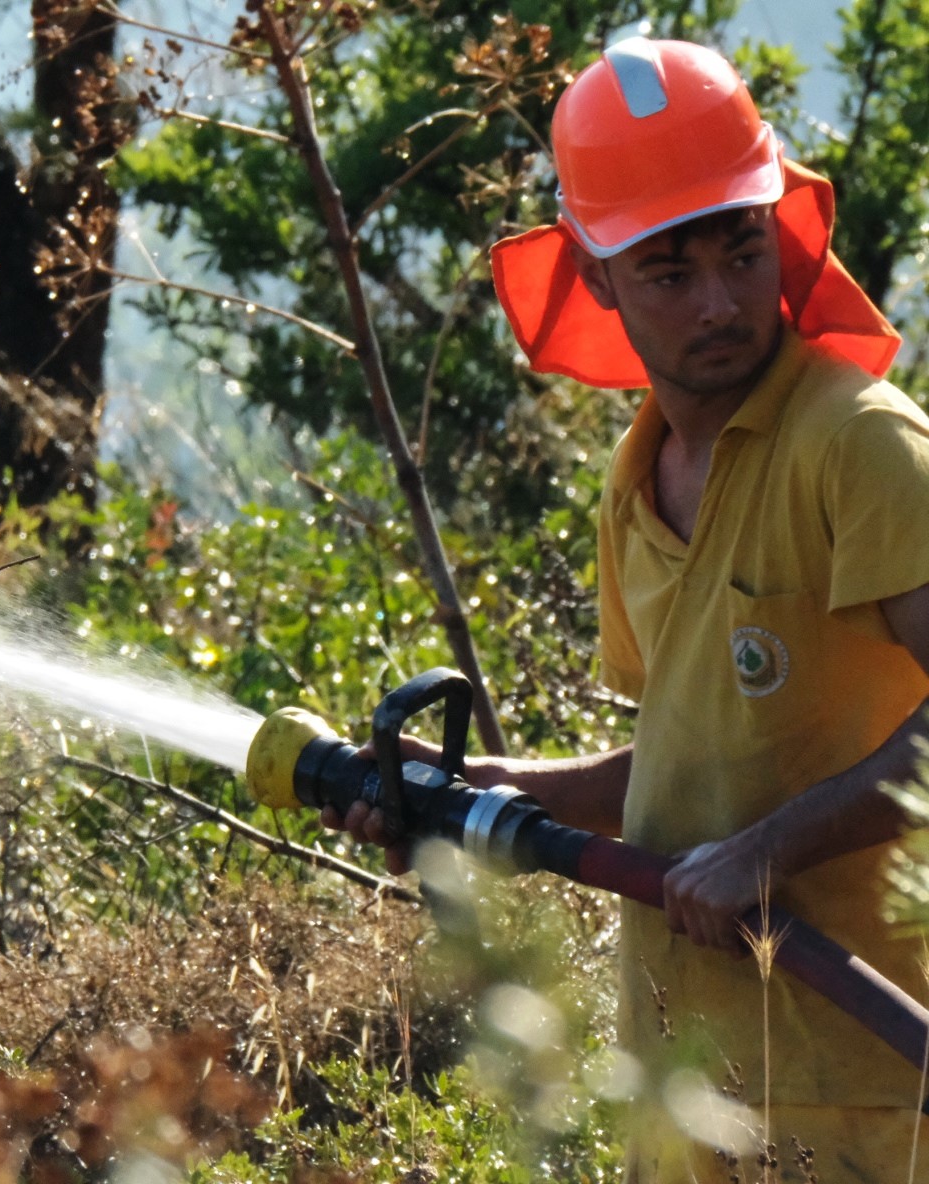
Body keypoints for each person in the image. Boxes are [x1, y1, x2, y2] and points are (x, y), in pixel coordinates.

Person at [336, 37, 929, 1183]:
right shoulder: (636, 473)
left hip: (869, 1075)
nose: (719, 301)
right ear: (597, 275)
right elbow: (686, 760)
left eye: (741, 251)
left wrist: (768, 851)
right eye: (669, 269)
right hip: (684, 1077)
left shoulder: (861, 446)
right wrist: (506, 795)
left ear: (780, 234)